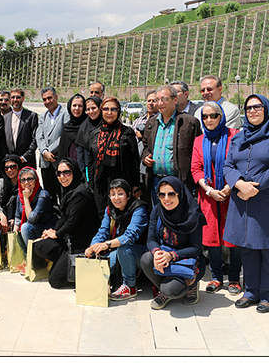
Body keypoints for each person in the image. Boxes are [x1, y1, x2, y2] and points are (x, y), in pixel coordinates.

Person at [223, 94, 269, 313]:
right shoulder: (239, 137)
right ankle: (251, 291)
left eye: (257, 106)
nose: (252, 111)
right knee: (248, 248)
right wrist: (239, 184)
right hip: (242, 201)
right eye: (248, 108)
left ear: (267, 108)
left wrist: (254, 187)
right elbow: (228, 165)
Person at [191, 102, 241, 294]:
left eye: (213, 116)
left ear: (222, 117)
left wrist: (229, 187)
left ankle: (234, 279)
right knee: (212, 239)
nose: (209, 120)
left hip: (232, 194)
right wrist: (209, 190)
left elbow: (241, 164)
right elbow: (196, 168)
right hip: (209, 196)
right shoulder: (199, 140)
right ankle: (217, 277)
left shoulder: (235, 136)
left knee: (233, 237)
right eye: (205, 116)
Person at [140, 177, 205, 309]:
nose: (166, 199)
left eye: (171, 194)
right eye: (162, 195)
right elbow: (151, 239)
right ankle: (167, 289)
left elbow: (196, 248)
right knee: (146, 259)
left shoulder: (192, 214)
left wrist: (171, 255)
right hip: (165, 255)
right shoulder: (157, 210)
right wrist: (157, 253)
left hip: (187, 258)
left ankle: (191, 284)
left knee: (170, 290)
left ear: (179, 194)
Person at [33, 159, 99, 289]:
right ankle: (63, 261)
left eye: (66, 172)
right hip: (69, 239)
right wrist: (52, 231)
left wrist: (57, 234)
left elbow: (72, 222)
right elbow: (64, 217)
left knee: (55, 281)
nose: (62, 177)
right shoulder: (69, 191)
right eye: (59, 173)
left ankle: (79, 269)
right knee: (39, 246)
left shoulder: (81, 194)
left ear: (74, 172)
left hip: (81, 244)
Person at [85, 179, 148, 300]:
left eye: (120, 193)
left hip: (139, 251)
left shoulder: (139, 208)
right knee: (101, 263)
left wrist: (107, 244)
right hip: (117, 249)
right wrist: (93, 247)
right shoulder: (110, 210)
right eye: (113, 194)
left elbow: (130, 236)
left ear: (128, 195)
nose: (116, 198)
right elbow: (103, 231)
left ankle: (129, 286)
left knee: (123, 249)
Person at [142, 85, 201, 205]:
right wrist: (146, 157)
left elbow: (197, 152)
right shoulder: (151, 123)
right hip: (156, 181)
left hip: (179, 181)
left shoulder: (188, 123)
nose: (160, 103)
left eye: (164, 99)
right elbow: (146, 147)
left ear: (175, 100)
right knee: (158, 214)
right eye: (157, 100)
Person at [88, 97, 140, 214]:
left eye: (113, 109)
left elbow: (135, 161)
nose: (109, 112)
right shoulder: (95, 134)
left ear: (119, 111)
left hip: (122, 184)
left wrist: (135, 185)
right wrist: (91, 184)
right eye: (106, 109)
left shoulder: (127, 133)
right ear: (101, 111)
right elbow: (90, 162)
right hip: (100, 186)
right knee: (103, 216)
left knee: (122, 216)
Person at [13, 167, 57, 253]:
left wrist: (26, 199)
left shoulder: (43, 195)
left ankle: (33, 256)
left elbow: (32, 219)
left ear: (36, 180)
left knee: (25, 227)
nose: (26, 182)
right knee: (18, 232)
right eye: (23, 180)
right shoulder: (20, 195)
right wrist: (14, 234)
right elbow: (18, 217)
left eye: (30, 179)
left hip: (45, 229)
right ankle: (27, 256)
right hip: (31, 229)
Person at [35, 87, 69, 200]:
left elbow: (64, 135)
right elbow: (39, 136)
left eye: (50, 98)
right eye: (44, 99)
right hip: (45, 162)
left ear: (56, 97)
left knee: (63, 194)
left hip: (58, 160)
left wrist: (49, 151)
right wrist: (44, 152)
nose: (47, 101)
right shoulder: (43, 116)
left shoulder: (66, 114)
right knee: (49, 195)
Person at [3, 88, 38, 168]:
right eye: (13, 97)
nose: (15, 100)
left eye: (18, 97)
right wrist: (8, 158)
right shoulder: (5, 118)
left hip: (26, 162)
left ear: (23, 98)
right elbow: (3, 140)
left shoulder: (31, 116)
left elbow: (35, 139)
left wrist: (24, 157)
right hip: (10, 164)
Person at [0, 154, 22, 233]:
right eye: (6, 168)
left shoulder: (24, 181)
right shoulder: (2, 182)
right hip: (5, 213)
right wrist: (2, 215)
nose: (9, 170)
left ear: (19, 167)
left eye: (13, 167)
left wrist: (16, 219)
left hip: (21, 215)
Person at [75, 96, 102, 180]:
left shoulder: (106, 125)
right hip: (89, 168)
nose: (91, 111)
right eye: (88, 109)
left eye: (93, 108)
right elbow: (80, 151)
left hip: (105, 167)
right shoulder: (84, 127)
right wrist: (83, 170)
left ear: (100, 108)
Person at [56, 94, 86, 167]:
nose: (77, 108)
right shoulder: (66, 127)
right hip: (69, 169)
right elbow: (61, 152)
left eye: (80, 106)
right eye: (74, 105)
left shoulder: (88, 125)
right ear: (70, 107)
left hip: (85, 168)